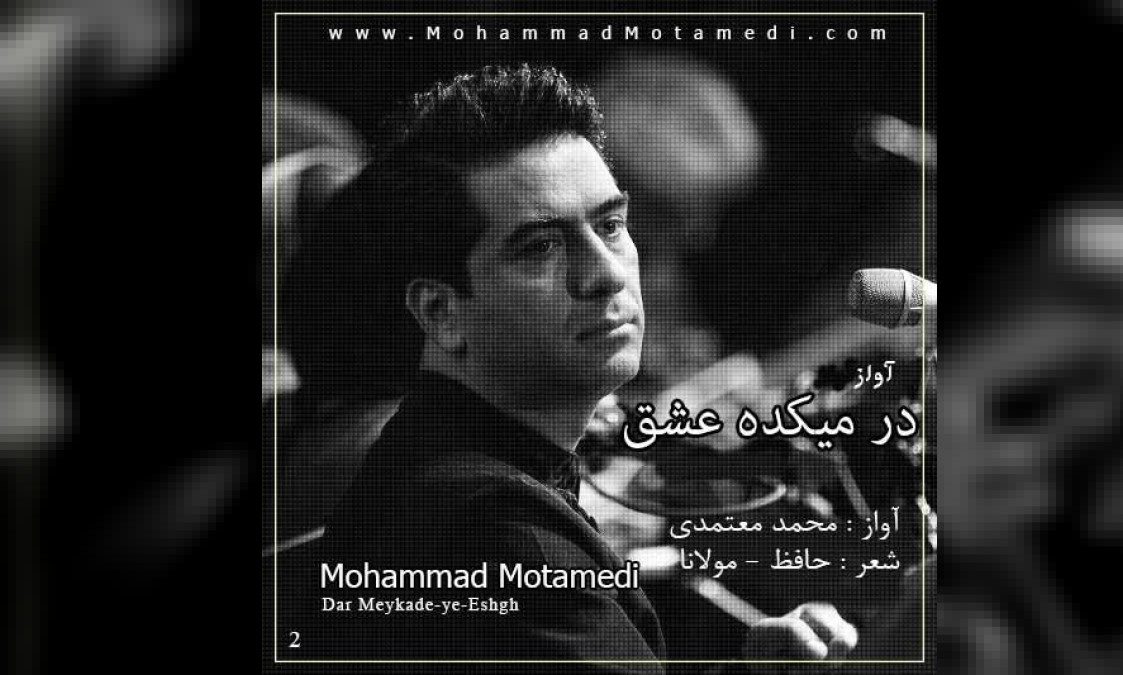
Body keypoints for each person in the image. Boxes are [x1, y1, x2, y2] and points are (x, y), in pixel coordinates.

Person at [282, 64, 857, 671]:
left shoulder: (470, 476)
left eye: (611, 225)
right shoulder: (500, 533)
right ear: (441, 313)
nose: (606, 273)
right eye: (540, 247)